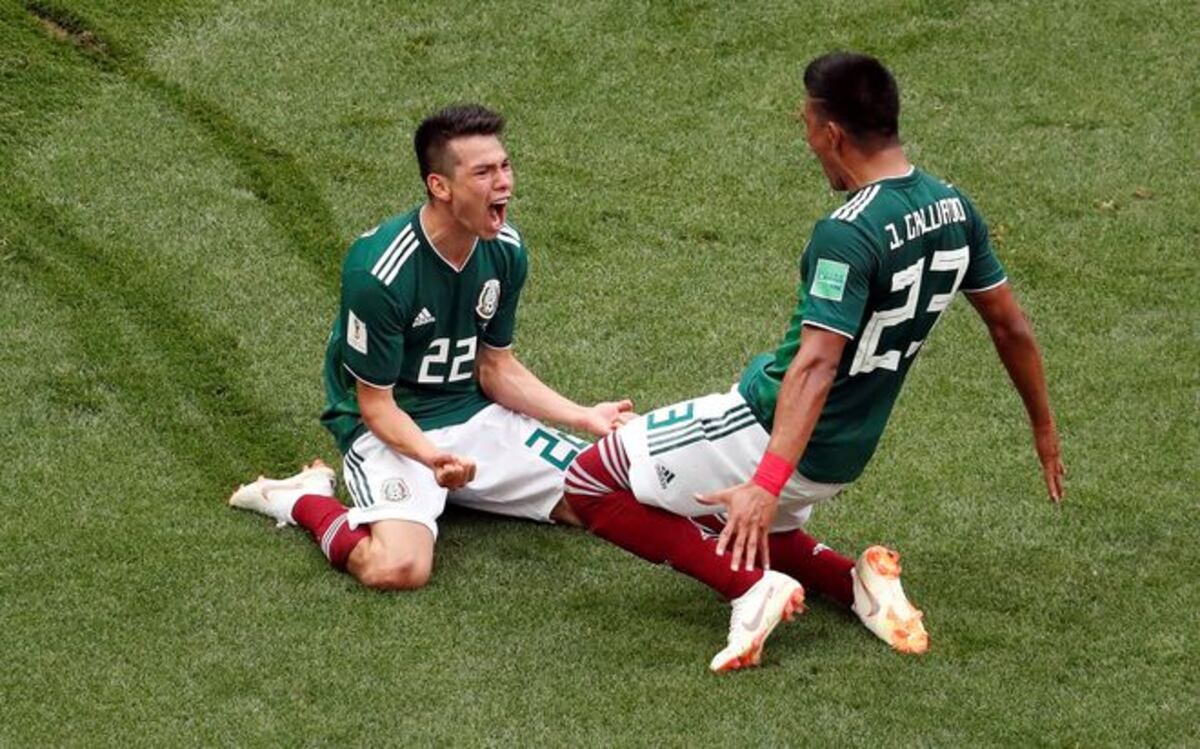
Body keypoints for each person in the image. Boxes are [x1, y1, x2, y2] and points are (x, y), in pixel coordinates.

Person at [563, 52, 1065, 672]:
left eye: (805, 124)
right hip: (847, 450)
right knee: (770, 534)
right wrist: (1042, 427)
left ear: (831, 132)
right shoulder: (957, 209)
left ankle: (749, 588)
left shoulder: (847, 233)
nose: (806, 140)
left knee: (589, 481)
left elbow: (815, 366)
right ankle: (857, 583)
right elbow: (1009, 324)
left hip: (771, 426)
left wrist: (765, 482)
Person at [230, 104, 634, 590]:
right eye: (483, 172)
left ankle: (459, 493)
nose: (503, 182)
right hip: (390, 431)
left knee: (606, 495)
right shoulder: (379, 272)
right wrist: (432, 457)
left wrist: (583, 416)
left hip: (472, 415)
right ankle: (304, 498)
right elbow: (375, 405)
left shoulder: (505, 249)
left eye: (504, 166)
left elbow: (494, 367)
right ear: (439, 186)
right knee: (398, 569)